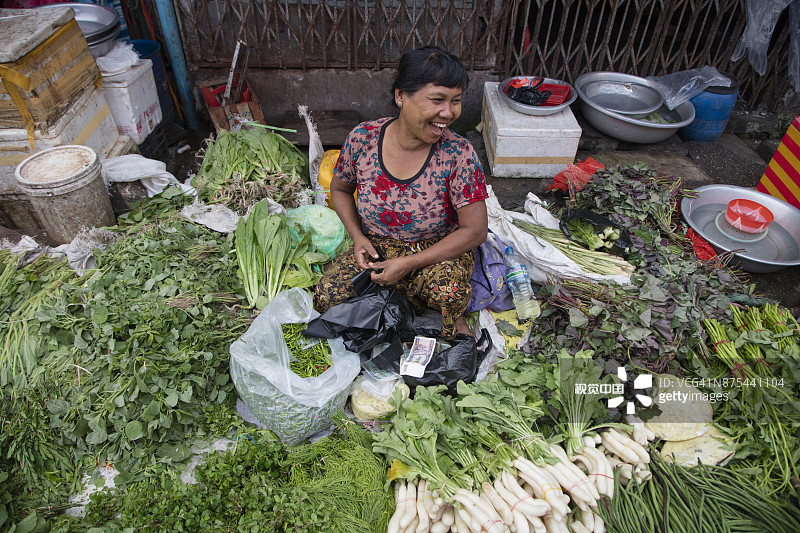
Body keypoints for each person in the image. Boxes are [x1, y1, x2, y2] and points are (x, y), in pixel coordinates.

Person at [313, 45, 489, 339]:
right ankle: (403, 305)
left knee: (449, 293)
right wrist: (358, 238)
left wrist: (409, 264)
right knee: (327, 296)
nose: (448, 113)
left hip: (434, 251)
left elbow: (475, 230)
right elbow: (340, 189)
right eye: (437, 100)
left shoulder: (458, 153)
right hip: (377, 247)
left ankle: (415, 307)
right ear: (400, 97)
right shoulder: (363, 139)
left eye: (456, 101)